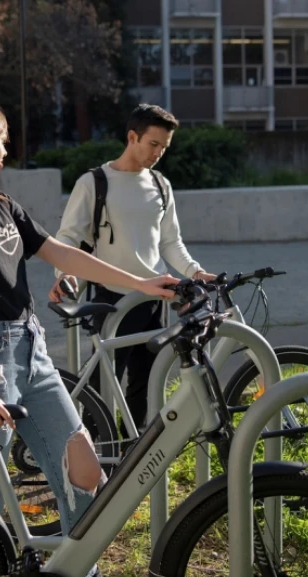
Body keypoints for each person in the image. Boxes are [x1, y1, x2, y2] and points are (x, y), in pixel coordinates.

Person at [0, 94, 177, 577]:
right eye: (0, 140)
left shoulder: (1, 203)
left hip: (30, 346)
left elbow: (62, 253)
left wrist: (142, 283)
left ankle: (79, 574)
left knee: (84, 467)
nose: (6, 149)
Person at [49, 104, 216, 431]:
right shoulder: (94, 183)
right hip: (113, 299)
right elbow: (68, 237)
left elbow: (170, 242)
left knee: (147, 384)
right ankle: (92, 453)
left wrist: (195, 271)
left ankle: (133, 453)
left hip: (155, 299)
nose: (158, 153)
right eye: (153, 144)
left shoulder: (160, 185)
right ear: (131, 137)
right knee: (102, 385)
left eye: (164, 148)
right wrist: (64, 276)